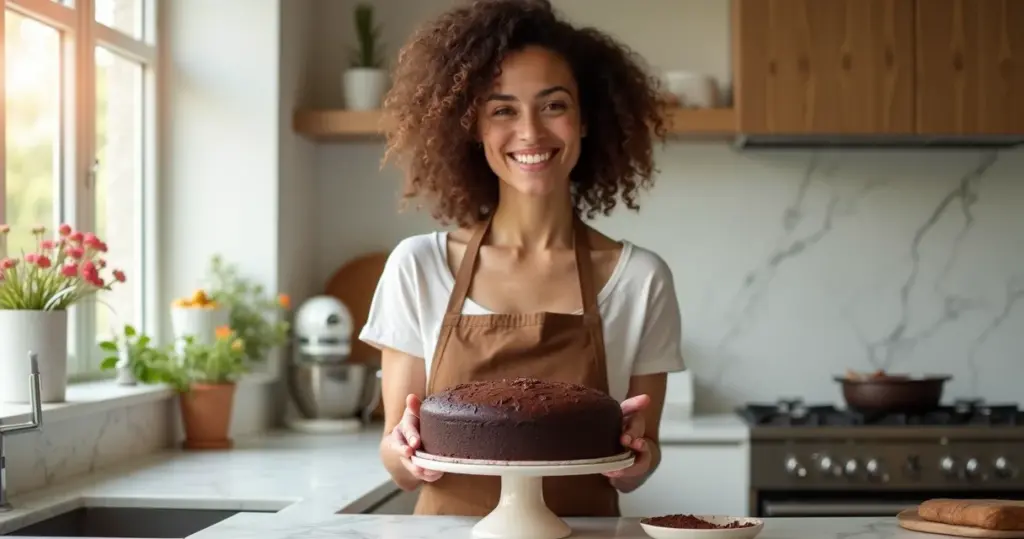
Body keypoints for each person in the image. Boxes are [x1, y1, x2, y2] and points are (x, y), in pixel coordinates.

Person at [358, 0, 685, 518]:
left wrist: (637, 459)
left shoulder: (640, 279)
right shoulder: (417, 266)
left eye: (553, 105)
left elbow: (640, 468)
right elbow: (396, 461)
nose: (530, 132)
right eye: (502, 109)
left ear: (585, 120)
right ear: (473, 128)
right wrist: (403, 453)